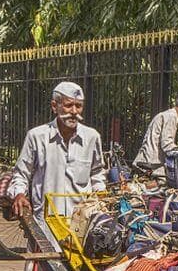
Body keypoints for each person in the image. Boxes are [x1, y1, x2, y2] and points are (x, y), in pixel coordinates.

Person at [8, 81, 106, 228]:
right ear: (55, 106)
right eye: (68, 105)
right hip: (46, 221)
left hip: (82, 221)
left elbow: (97, 172)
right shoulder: (36, 136)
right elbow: (22, 173)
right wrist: (19, 194)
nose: (74, 111)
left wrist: (100, 193)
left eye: (78, 106)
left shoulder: (92, 137)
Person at [132, 88, 178, 179]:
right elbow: (167, 144)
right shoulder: (172, 117)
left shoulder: (167, 115)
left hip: (147, 161)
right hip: (151, 164)